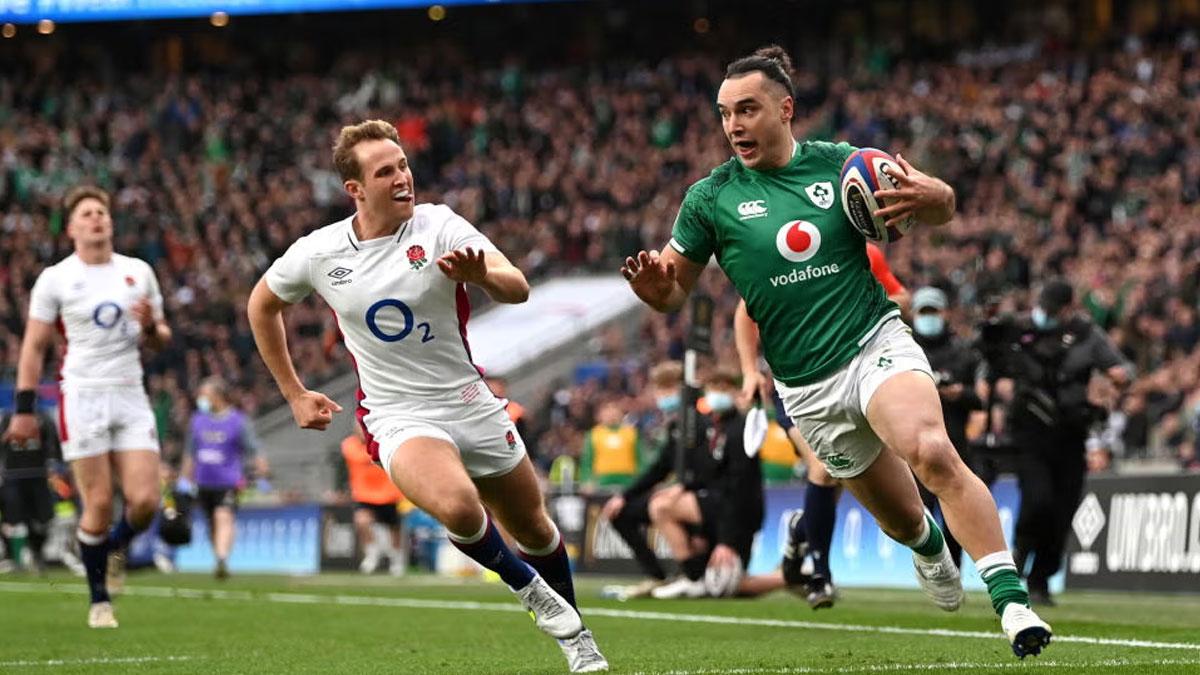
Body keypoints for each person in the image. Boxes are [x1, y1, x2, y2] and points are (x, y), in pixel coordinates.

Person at [620, 46, 1051, 658]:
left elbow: (942, 207)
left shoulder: (842, 166)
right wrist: (654, 289)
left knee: (932, 451)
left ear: (785, 109)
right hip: (806, 388)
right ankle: (927, 544)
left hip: (873, 341)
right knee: (902, 520)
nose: (734, 125)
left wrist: (936, 195)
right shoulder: (710, 198)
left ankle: (1012, 604)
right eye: (724, 113)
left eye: (748, 109)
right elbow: (672, 291)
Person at [246, 120, 606, 673]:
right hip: (397, 414)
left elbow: (517, 286)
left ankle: (576, 639)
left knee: (534, 526)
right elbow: (262, 305)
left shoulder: (438, 224)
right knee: (459, 506)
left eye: (404, 165)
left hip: (468, 400)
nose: (401, 178)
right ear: (355, 189)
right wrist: (293, 393)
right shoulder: (320, 252)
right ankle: (529, 589)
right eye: (384, 172)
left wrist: (482, 275)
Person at [2, 186, 171, 628]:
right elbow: (34, 346)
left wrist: (151, 328)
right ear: (72, 228)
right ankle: (100, 601)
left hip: (130, 393)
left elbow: (161, 338)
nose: (96, 218)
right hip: (82, 396)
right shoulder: (56, 279)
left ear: (111, 222)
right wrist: (24, 409)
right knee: (97, 504)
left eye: (102, 212)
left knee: (145, 502)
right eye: (87, 214)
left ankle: (112, 548)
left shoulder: (138, 271)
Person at [735, 240, 911, 610]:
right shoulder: (776, 249)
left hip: (852, 380)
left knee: (844, 474)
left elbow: (902, 298)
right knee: (824, 469)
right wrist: (750, 370)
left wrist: (861, 313)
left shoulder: (860, 250)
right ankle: (820, 574)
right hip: (794, 385)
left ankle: (800, 532)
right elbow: (744, 313)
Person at [1005, 279, 1132, 605]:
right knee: (1038, 499)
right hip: (1031, 431)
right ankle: (1020, 551)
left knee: (1062, 510)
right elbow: (993, 358)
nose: (1044, 315)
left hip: (1071, 432)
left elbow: (1121, 369)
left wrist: (1117, 378)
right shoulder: (1021, 329)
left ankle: (1041, 578)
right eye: (1042, 308)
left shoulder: (1086, 335)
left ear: (1067, 310)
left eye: (1051, 311)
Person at [645, 369, 765, 599]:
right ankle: (693, 575)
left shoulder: (739, 429)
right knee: (724, 586)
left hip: (739, 516)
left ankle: (793, 577)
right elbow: (706, 474)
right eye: (712, 388)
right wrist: (683, 488)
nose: (716, 394)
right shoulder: (713, 426)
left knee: (729, 585)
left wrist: (727, 541)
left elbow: (741, 488)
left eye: (723, 388)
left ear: (736, 392)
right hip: (719, 509)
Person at [910, 287, 985, 569]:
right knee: (921, 515)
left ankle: (954, 568)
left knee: (955, 512)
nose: (929, 317)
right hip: (914, 444)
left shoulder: (963, 353)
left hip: (954, 444)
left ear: (945, 313)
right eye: (924, 312)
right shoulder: (904, 350)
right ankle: (930, 568)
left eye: (933, 311)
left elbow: (978, 400)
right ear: (914, 314)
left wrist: (959, 393)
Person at [600, 360, 684, 596]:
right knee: (620, 513)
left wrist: (683, 486)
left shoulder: (699, 419)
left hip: (700, 494)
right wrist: (624, 496)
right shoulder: (674, 424)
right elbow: (660, 468)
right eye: (660, 389)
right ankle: (658, 576)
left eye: (669, 388)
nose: (663, 395)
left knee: (663, 505)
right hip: (679, 491)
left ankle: (691, 572)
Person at [181, 377, 268, 579]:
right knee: (211, 522)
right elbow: (189, 452)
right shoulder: (197, 421)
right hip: (203, 481)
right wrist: (184, 479)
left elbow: (254, 448)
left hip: (228, 481)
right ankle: (219, 557)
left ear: (218, 396)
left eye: (204, 395)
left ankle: (222, 558)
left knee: (224, 516)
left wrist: (263, 473)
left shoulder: (238, 421)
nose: (200, 399)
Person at [0, 407, 61, 573]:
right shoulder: (7, 418)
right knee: (12, 519)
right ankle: (11, 557)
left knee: (42, 520)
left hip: (39, 476)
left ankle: (37, 553)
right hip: (12, 476)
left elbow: (52, 445)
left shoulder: (43, 418)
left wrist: (53, 466)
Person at [342, 424, 407, 575]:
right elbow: (365, 458)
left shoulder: (384, 440)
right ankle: (372, 553)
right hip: (364, 494)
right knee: (362, 521)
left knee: (393, 529)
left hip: (388, 493)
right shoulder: (350, 445)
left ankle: (396, 560)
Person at [580, 399, 645, 493]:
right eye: (607, 411)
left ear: (621, 414)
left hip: (628, 481)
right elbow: (587, 461)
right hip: (601, 482)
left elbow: (640, 460)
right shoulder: (594, 435)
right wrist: (587, 480)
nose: (611, 415)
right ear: (600, 415)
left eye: (614, 411)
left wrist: (642, 480)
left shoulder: (631, 433)